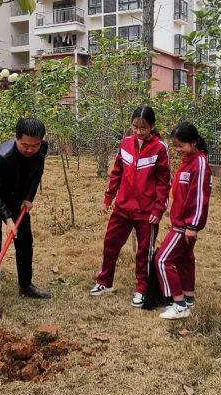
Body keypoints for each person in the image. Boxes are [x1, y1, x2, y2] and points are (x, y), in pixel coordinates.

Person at [91, 106, 172, 308]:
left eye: (143, 128)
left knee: (145, 251)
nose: (138, 131)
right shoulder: (125, 143)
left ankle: (142, 288)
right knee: (111, 243)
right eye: (135, 126)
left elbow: (164, 182)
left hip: (147, 212)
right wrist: (108, 197)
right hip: (123, 208)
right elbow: (117, 171)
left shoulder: (160, 148)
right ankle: (104, 281)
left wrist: (158, 209)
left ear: (152, 127)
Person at [0, 117, 50, 323]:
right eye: (25, 145)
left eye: (35, 145)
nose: (31, 149)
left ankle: (25, 285)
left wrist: (29, 198)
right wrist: (7, 218)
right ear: (16, 139)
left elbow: (37, 173)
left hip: (16, 197)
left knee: (24, 241)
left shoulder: (42, 148)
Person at [154, 122, 212, 320]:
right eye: (175, 146)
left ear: (193, 143)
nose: (178, 150)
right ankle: (188, 300)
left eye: (181, 146)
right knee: (185, 261)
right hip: (179, 222)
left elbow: (199, 197)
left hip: (185, 226)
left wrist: (192, 225)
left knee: (162, 260)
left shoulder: (200, 163)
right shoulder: (187, 161)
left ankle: (178, 304)